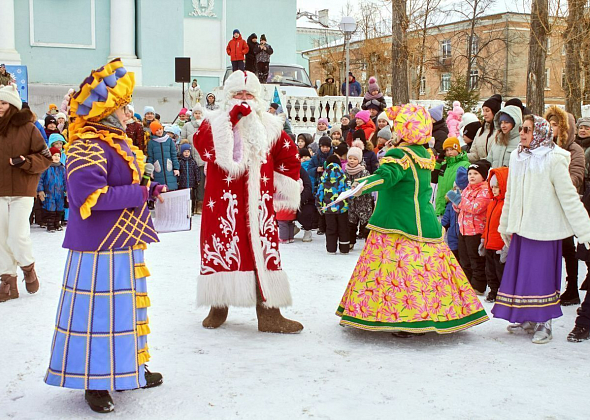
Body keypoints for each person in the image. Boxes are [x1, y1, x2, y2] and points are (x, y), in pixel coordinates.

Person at [43, 60, 166, 412]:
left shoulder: (112, 140)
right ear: (109, 111)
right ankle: (94, 382)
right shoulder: (84, 144)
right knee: (97, 315)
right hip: (97, 246)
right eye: (124, 107)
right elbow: (90, 197)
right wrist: (139, 195)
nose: (130, 113)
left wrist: (149, 187)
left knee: (123, 312)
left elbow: (120, 183)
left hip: (122, 241)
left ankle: (127, 369)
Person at [337, 103, 489, 336]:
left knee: (396, 273)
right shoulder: (423, 153)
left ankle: (401, 320)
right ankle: (439, 312)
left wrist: (359, 185)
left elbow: (386, 177)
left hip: (395, 222)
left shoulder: (399, 154)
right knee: (428, 272)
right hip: (424, 220)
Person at [193, 70, 303, 333]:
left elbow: (289, 156)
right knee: (221, 249)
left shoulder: (271, 126)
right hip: (222, 204)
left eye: (249, 94)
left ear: (258, 98)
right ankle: (218, 305)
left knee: (262, 254)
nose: (244, 100)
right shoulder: (213, 122)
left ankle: (269, 314)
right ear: (228, 97)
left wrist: (285, 186)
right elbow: (203, 148)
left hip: (258, 206)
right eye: (238, 95)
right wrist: (229, 123)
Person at [492, 114, 590, 344]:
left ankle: (545, 322)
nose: (523, 134)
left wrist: (585, 231)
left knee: (542, 277)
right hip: (522, 227)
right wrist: (505, 225)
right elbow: (512, 195)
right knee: (523, 277)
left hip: (545, 230)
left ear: (540, 132)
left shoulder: (555, 158)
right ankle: (528, 317)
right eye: (523, 129)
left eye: (527, 130)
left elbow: (568, 198)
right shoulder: (518, 156)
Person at [0, 83, 52, 302]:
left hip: (23, 189)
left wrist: (26, 161)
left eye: (2, 102)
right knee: (1, 237)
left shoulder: (30, 128)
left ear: (11, 104)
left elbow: (46, 158)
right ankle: (7, 282)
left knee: (17, 234)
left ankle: (28, 268)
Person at [544, 106, 586, 306]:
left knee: (568, 248)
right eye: (549, 124)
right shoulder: (545, 147)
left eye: (555, 125)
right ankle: (549, 286)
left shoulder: (573, 149)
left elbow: (577, 175)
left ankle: (572, 288)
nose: (552, 128)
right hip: (547, 203)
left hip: (564, 203)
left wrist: (556, 183)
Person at [447, 160, 492, 295]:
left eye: (476, 173)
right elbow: (460, 208)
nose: (471, 176)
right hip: (463, 229)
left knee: (476, 260)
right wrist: (456, 202)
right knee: (464, 258)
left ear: (483, 176)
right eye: (470, 173)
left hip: (476, 231)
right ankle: (466, 282)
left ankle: (478, 286)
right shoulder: (467, 189)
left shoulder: (485, 191)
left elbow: (475, 208)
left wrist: (460, 201)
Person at [481, 166, 509, 303]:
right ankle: (493, 290)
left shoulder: (506, 205)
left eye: (497, 187)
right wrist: (483, 239)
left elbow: (509, 226)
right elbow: (487, 224)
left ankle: (503, 292)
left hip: (500, 245)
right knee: (490, 270)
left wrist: (507, 245)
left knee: (500, 271)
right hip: (489, 244)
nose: (494, 190)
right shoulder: (492, 203)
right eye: (492, 187)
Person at [316, 154, 350, 254]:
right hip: (342, 208)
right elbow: (349, 192)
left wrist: (319, 204)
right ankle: (344, 248)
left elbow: (319, 193)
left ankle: (331, 249)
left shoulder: (324, 179)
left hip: (329, 209)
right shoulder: (343, 178)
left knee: (330, 228)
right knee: (343, 228)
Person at [433, 137, 470, 216]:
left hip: (454, 203)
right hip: (440, 203)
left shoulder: (465, 164)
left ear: (458, 149)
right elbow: (434, 179)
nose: (449, 152)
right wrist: (437, 164)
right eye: (447, 150)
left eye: (452, 149)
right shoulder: (444, 165)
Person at [344, 146, 373, 250]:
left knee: (365, 224)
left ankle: (368, 243)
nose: (352, 161)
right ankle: (351, 242)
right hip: (351, 203)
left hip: (364, 203)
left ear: (359, 160)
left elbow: (368, 186)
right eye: (350, 158)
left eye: (355, 159)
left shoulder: (364, 172)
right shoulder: (346, 172)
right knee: (351, 224)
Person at [441, 167, 468, 260]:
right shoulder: (450, 203)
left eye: (461, 189)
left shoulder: (467, 203)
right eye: (456, 189)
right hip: (452, 240)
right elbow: (445, 219)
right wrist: (441, 228)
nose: (458, 192)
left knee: (464, 261)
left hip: (464, 239)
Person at [37, 147, 67, 232]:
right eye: (54, 155)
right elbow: (40, 179)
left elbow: (65, 180)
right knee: (50, 208)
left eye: (58, 155)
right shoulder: (46, 167)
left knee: (60, 208)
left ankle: (57, 223)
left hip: (60, 193)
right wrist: (40, 190)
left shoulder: (62, 168)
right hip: (49, 192)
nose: (57, 157)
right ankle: (50, 225)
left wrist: (67, 190)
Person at [147, 121, 179, 191]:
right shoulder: (151, 143)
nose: (159, 131)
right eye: (157, 130)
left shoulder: (169, 140)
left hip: (169, 168)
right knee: (160, 189)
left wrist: (176, 168)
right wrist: (151, 171)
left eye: (160, 129)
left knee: (171, 188)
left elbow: (174, 155)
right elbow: (150, 157)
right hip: (158, 169)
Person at [178, 142, 200, 214]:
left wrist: (198, 179)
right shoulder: (180, 162)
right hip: (183, 183)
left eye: (188, 151)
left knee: (192, 197)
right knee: (183, 198)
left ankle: (191, 210)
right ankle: (183, 211)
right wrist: (178, 180)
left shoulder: (193, 162)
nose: (186, 153)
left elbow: (196, 171)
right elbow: (178, 172)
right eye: (185, 151)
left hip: (191, 183)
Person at [297, 151, 314, 243]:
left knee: (305, 212)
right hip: (288, 199)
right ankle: (290, 228)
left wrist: (300, 200)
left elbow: (308, 186)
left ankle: (308, 230)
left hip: (304, 200)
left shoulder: (301, 170)